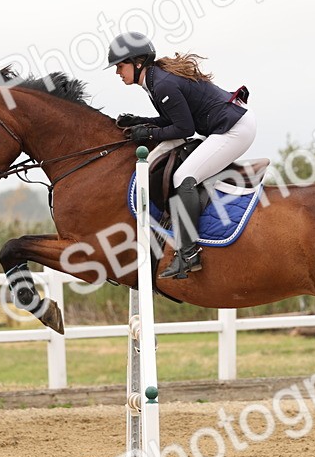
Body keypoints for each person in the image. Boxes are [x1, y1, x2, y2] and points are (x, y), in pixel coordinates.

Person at [107, 31, 256, 279]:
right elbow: (171, 119)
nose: (117, 73)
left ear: (138, 62)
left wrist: (148, 133)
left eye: (120, 66)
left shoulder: (162, 83)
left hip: (234, 130)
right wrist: (141, 122)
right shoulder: (155, 81)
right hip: (229, 125)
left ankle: (188, 254)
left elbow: (185, 129)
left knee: (183, 176)